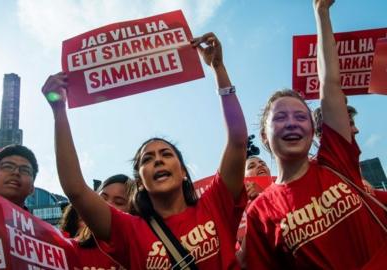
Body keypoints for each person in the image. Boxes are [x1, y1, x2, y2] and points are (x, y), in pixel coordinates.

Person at [43, 32, 247, 269]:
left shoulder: (215, 204)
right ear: (139, 182)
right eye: (147, 159)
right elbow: (76, 190)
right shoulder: (129, 231)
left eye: (166, 154)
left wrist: (218, 68)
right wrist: (58, 110)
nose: (158, 161)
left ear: (183, 172)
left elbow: (237, 141)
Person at [243, 1, 387, 268]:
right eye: (280, 118)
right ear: (265, 136)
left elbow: (329, 82)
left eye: (300, 117)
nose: (292, 124)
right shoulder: (259, 214)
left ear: (313, 130)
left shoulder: (336, 159)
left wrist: (320, 12)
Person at [59, 174, 133, 269]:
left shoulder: (142, 252)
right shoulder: (69, 249)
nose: (107, 205)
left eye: (118, 202)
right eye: (102, 198)